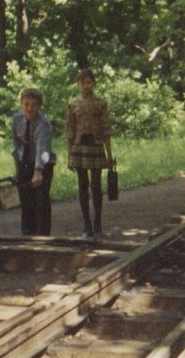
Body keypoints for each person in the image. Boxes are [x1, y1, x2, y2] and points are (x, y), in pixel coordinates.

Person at [65, 69, 114, 238]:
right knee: (82, 186)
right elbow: (70, 131)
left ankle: (98, 223)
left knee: (96, 186)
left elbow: (107, 130)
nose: (86, 86)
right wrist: (69, 156)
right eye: (83, 82)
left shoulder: (101, 103)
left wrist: (109, 155)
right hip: (79, 148)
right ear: (78, 84)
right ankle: (86, 225)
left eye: (89, 82)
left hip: (96, 146)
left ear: (94, 84)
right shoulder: (73, 104)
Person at [11, 88, 55, 236]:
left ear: (39, 106)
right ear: (22, 104)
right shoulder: (17, 119)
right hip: (24, 162)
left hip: (43, 163)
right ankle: (27, 236)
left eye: (34, 105)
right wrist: (18, 164)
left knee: (41, 202)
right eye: (26, 104)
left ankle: (43, 238)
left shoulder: (44, 124)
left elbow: (43, 151)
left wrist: (38, 172)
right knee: (25, 202)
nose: (30, 108)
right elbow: (16, 142)